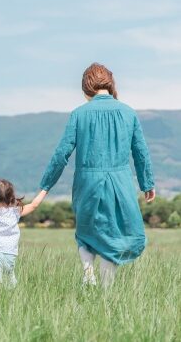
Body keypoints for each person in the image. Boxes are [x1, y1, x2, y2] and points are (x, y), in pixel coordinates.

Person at [38, 63, 155, 287]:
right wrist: (147, 182)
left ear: (86, 87)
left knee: (86, 231)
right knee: (117, 231)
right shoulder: (128, 112)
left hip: (86, 181)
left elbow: (62, 153)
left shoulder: (78, 114)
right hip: (120, 181)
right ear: (110, 84)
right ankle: (106, 286)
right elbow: (141, 152)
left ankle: (88, 272)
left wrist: (46, 186)